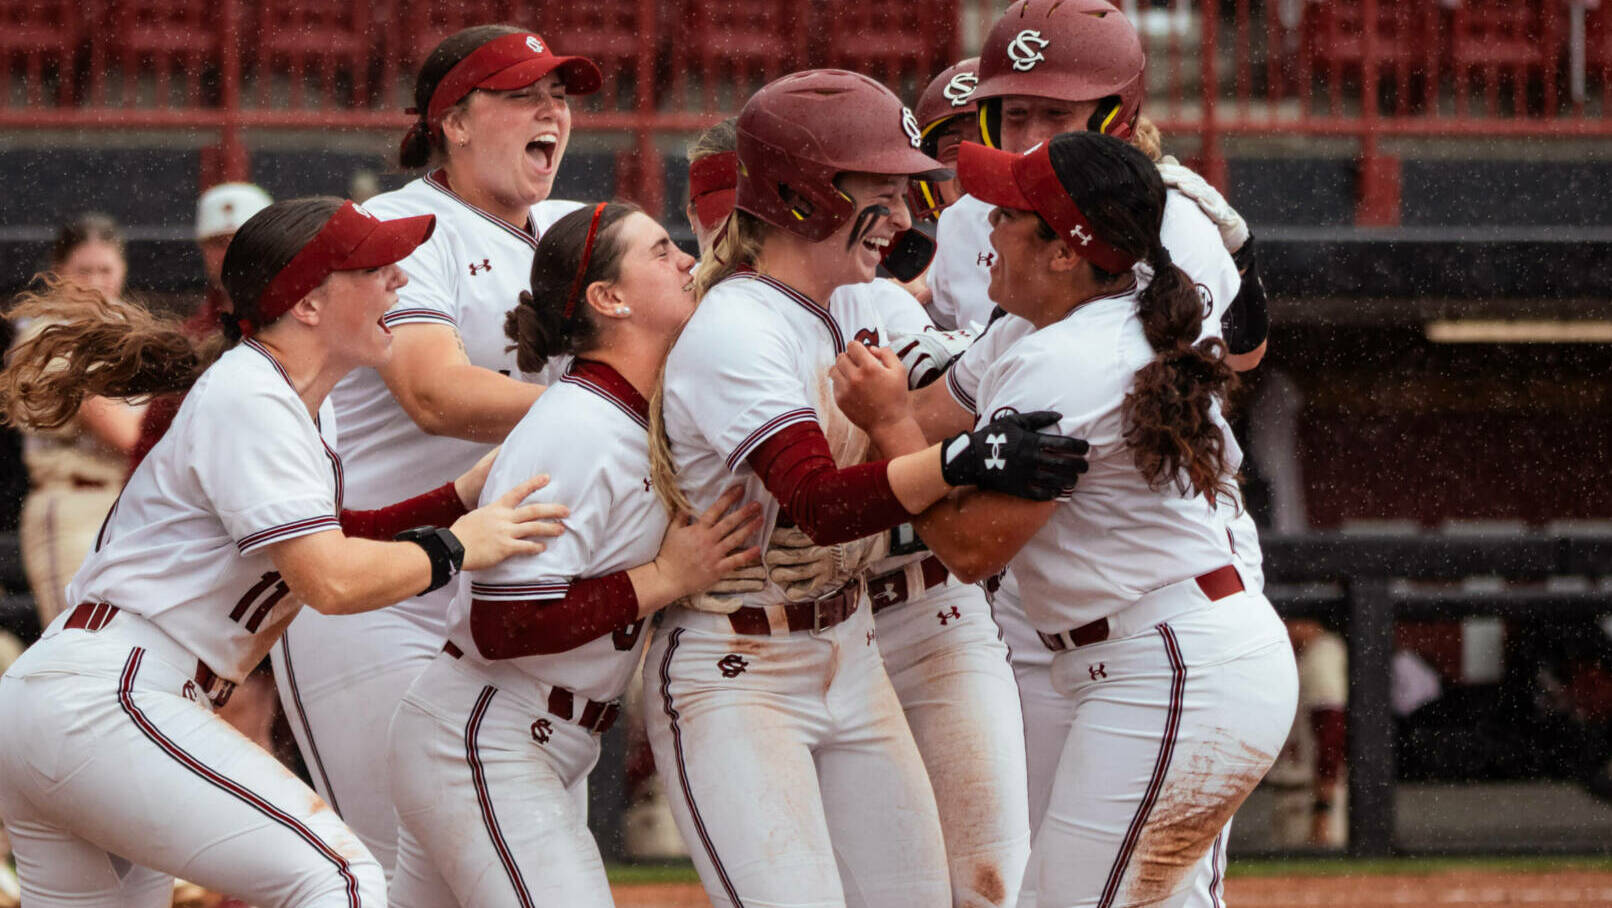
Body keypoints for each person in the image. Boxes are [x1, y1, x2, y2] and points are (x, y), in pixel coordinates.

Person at [0, 196, 566, 906]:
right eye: (373, 266)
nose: (400, 279)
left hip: (73, 699)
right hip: (113, 697)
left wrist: (454, 498)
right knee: (342, 878)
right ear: (306, 304)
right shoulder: (252, 397)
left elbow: (333, 534)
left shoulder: (286, 396)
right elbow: (328, 580)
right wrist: (456, 547)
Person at [646, 69, 1087, 908]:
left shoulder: (858, 301)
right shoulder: (737, 323)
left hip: (852, 644)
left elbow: (950, 386)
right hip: (738, 661)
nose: (907, 214)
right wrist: (964, 462)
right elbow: (816, 503)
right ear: (803, 192)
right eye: (881, 190)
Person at [834, 131, 1297, 908]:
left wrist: (884, 429)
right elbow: (930, 414)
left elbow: (970, 545)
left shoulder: (1074, 357)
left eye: (1010, 214)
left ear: (1062, 252)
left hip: (1176, 664)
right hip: (1148, 660)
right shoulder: (1034, 328)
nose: (986, 226)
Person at [269, 24, 600, 871]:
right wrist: (596, 412)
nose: (552, 112)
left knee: (528, 868)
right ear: (452, 120)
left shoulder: (573, 228)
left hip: (507, 591)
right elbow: (432, 392)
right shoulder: (400, 224)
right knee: (402, 871)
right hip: (380, 590)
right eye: (524, 95)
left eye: (559, 96)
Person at [388, 201, 762, 906]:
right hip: (490, 732)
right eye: (659, 251)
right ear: (608, 298)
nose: (686, 259)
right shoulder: (579, 425)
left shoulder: (622, 412)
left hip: (527, 734)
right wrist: (665, 577)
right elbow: (507, 624)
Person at [14, 214, 145, 625]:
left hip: (131, 504)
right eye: (83, 270)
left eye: (105, 269)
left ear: (122, 269)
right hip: (73, 502)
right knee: (77, 640)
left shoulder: (135, 329)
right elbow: (127, 434)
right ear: (59, 274)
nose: (96, 281)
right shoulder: (48, 332)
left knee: (131, 645)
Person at [129, 182, 275, 471]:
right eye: (218, 243)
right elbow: (153, 442)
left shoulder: (304, 321)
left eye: (239, 239)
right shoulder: (186, 340)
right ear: (202, 250)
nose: (229, 252)